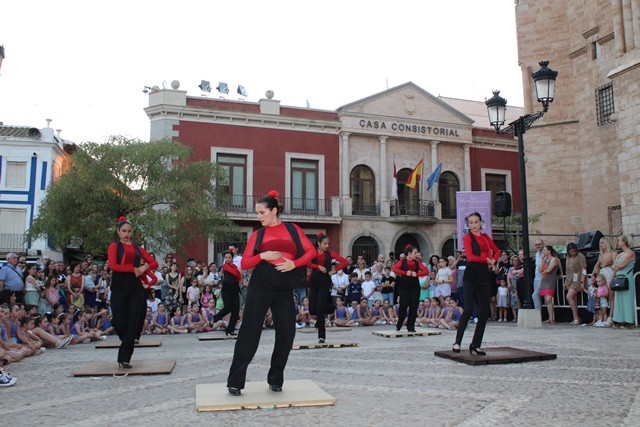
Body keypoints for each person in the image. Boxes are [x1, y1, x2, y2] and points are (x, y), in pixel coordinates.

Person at [225, 190, 315, 396]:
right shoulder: (258, 235)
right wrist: (262, 255)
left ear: (274, 211)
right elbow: (245, 263)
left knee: (287, 333)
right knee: (250, 332)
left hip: (284, 286)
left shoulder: (293, 230)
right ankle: (235, 381)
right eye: (257, 213)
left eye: (262, 212)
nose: (259, 217)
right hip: (261, 283)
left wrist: (295, 263)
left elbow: (310, 251)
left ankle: (275, 378)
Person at [107, 216, 158, 369]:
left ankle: (125, 357)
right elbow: (113, 266)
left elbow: (154, 263)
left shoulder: (138, 249)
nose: (126, 234)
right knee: (118, 320)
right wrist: (132, 269)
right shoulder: (114, 246)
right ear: (118, 232)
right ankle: (126, 341)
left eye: (129, 231)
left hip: (135, 287)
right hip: (119, 286)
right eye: (124, 231)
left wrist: (142, 268)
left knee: (133, 321)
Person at [453, 212, 500, 355]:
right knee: (467, 309)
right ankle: (457, 342)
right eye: (471, 223)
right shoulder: (467, 237)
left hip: (484, 276)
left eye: (476, 222)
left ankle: (475, 344)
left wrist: (493, 259)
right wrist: (487, 259)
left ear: (481, 223)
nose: (473, 225)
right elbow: (471, 257)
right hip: (471, 275)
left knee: (484, 311)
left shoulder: (486, 237)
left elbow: (497, 251)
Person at [307, 232, 347, 343]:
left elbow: (345, 261)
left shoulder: (330, 254)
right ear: (319, 243)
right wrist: (317, 266)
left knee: (320, 309)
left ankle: (321, 336)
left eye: (328, 243)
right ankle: (330, 308)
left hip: (325, 281)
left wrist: (334, 271)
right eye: (325, 243)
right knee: (312, 309)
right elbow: (307, 263)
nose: (327, 245)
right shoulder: (313, 253)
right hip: (314, 281)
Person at [392, 244, 429, 333]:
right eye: (415, 252)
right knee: (403, 305)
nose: (416, 254)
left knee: (414, 306)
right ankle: (399, 324)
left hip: (414, 286)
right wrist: (405, 273)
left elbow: (426, 271)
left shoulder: (417, 262)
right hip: (404, 285)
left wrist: (416, 274)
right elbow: (395, 269)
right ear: (409, 253)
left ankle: (411, 326)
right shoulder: (402, 261)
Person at [211, 251, 242, 336]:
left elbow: (238, 276)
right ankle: (215, 318)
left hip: (235, 290)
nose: (227, 259)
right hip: (226, 290)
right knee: (228, 307)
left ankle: (230, 330)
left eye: (229, 257)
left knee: (235, 311)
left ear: (232, 258)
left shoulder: (235, 266)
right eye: (226, 257)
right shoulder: (225, 266)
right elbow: (237, 274)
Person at [611, 235, 636, 328]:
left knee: (627, 299)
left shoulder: (630, 253)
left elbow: (620, 265)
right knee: (619, 299)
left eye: (619, 241)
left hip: (627, 277)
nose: (618, 243)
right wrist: (616, 266)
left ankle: (629, 320)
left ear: (624, 242)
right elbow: (614, 266)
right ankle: (619, 319)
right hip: (619, 277)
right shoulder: (620, 254)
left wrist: (616, 266)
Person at [591, 237, 617, 326]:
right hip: (603, 274)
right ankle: (602, 318)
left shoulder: (613, 253)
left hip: (610, 273)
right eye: (600, 243)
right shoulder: (601, 255)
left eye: (603, 243)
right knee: (602, 296)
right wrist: (593, 275)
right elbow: (597, 265)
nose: (601, 245)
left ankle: (610, 317)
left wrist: (613, 277)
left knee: (611, 296)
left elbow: (615, 265)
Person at [564, 242, 587, 325]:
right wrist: (566, 282)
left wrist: (582, 281)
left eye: (574, 251)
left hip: (578, 278)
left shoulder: (580, 256)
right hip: (570, 279)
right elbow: (567, 270)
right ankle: (575, 317)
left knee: (569, 296)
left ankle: (576, 317)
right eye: (571, 252)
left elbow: (584, 269)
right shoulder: (568, 258)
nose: (573, 253)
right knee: (573, 298)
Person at [539, 245, 561, 324]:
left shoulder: (553, 259)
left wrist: (543, 271)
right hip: (544, 280)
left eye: (545, 250)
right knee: (547, 300)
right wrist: (542, 260)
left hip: (550, 279)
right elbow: (539, 269)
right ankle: (551, 317)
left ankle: (552, 317)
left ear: (549, 251)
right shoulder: (545, 260)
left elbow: (548, 270)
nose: (543, 252)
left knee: (549, 298)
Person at [532, 239, 545, 311]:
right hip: (536, 277)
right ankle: (539, 314)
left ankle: (537, 314)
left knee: (535, 295)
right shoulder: (537, 254)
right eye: (536, 245)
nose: (538, 246)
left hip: (542, 277)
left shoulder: (545, 253)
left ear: (542, 244)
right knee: (538, 297)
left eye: (539, 244)